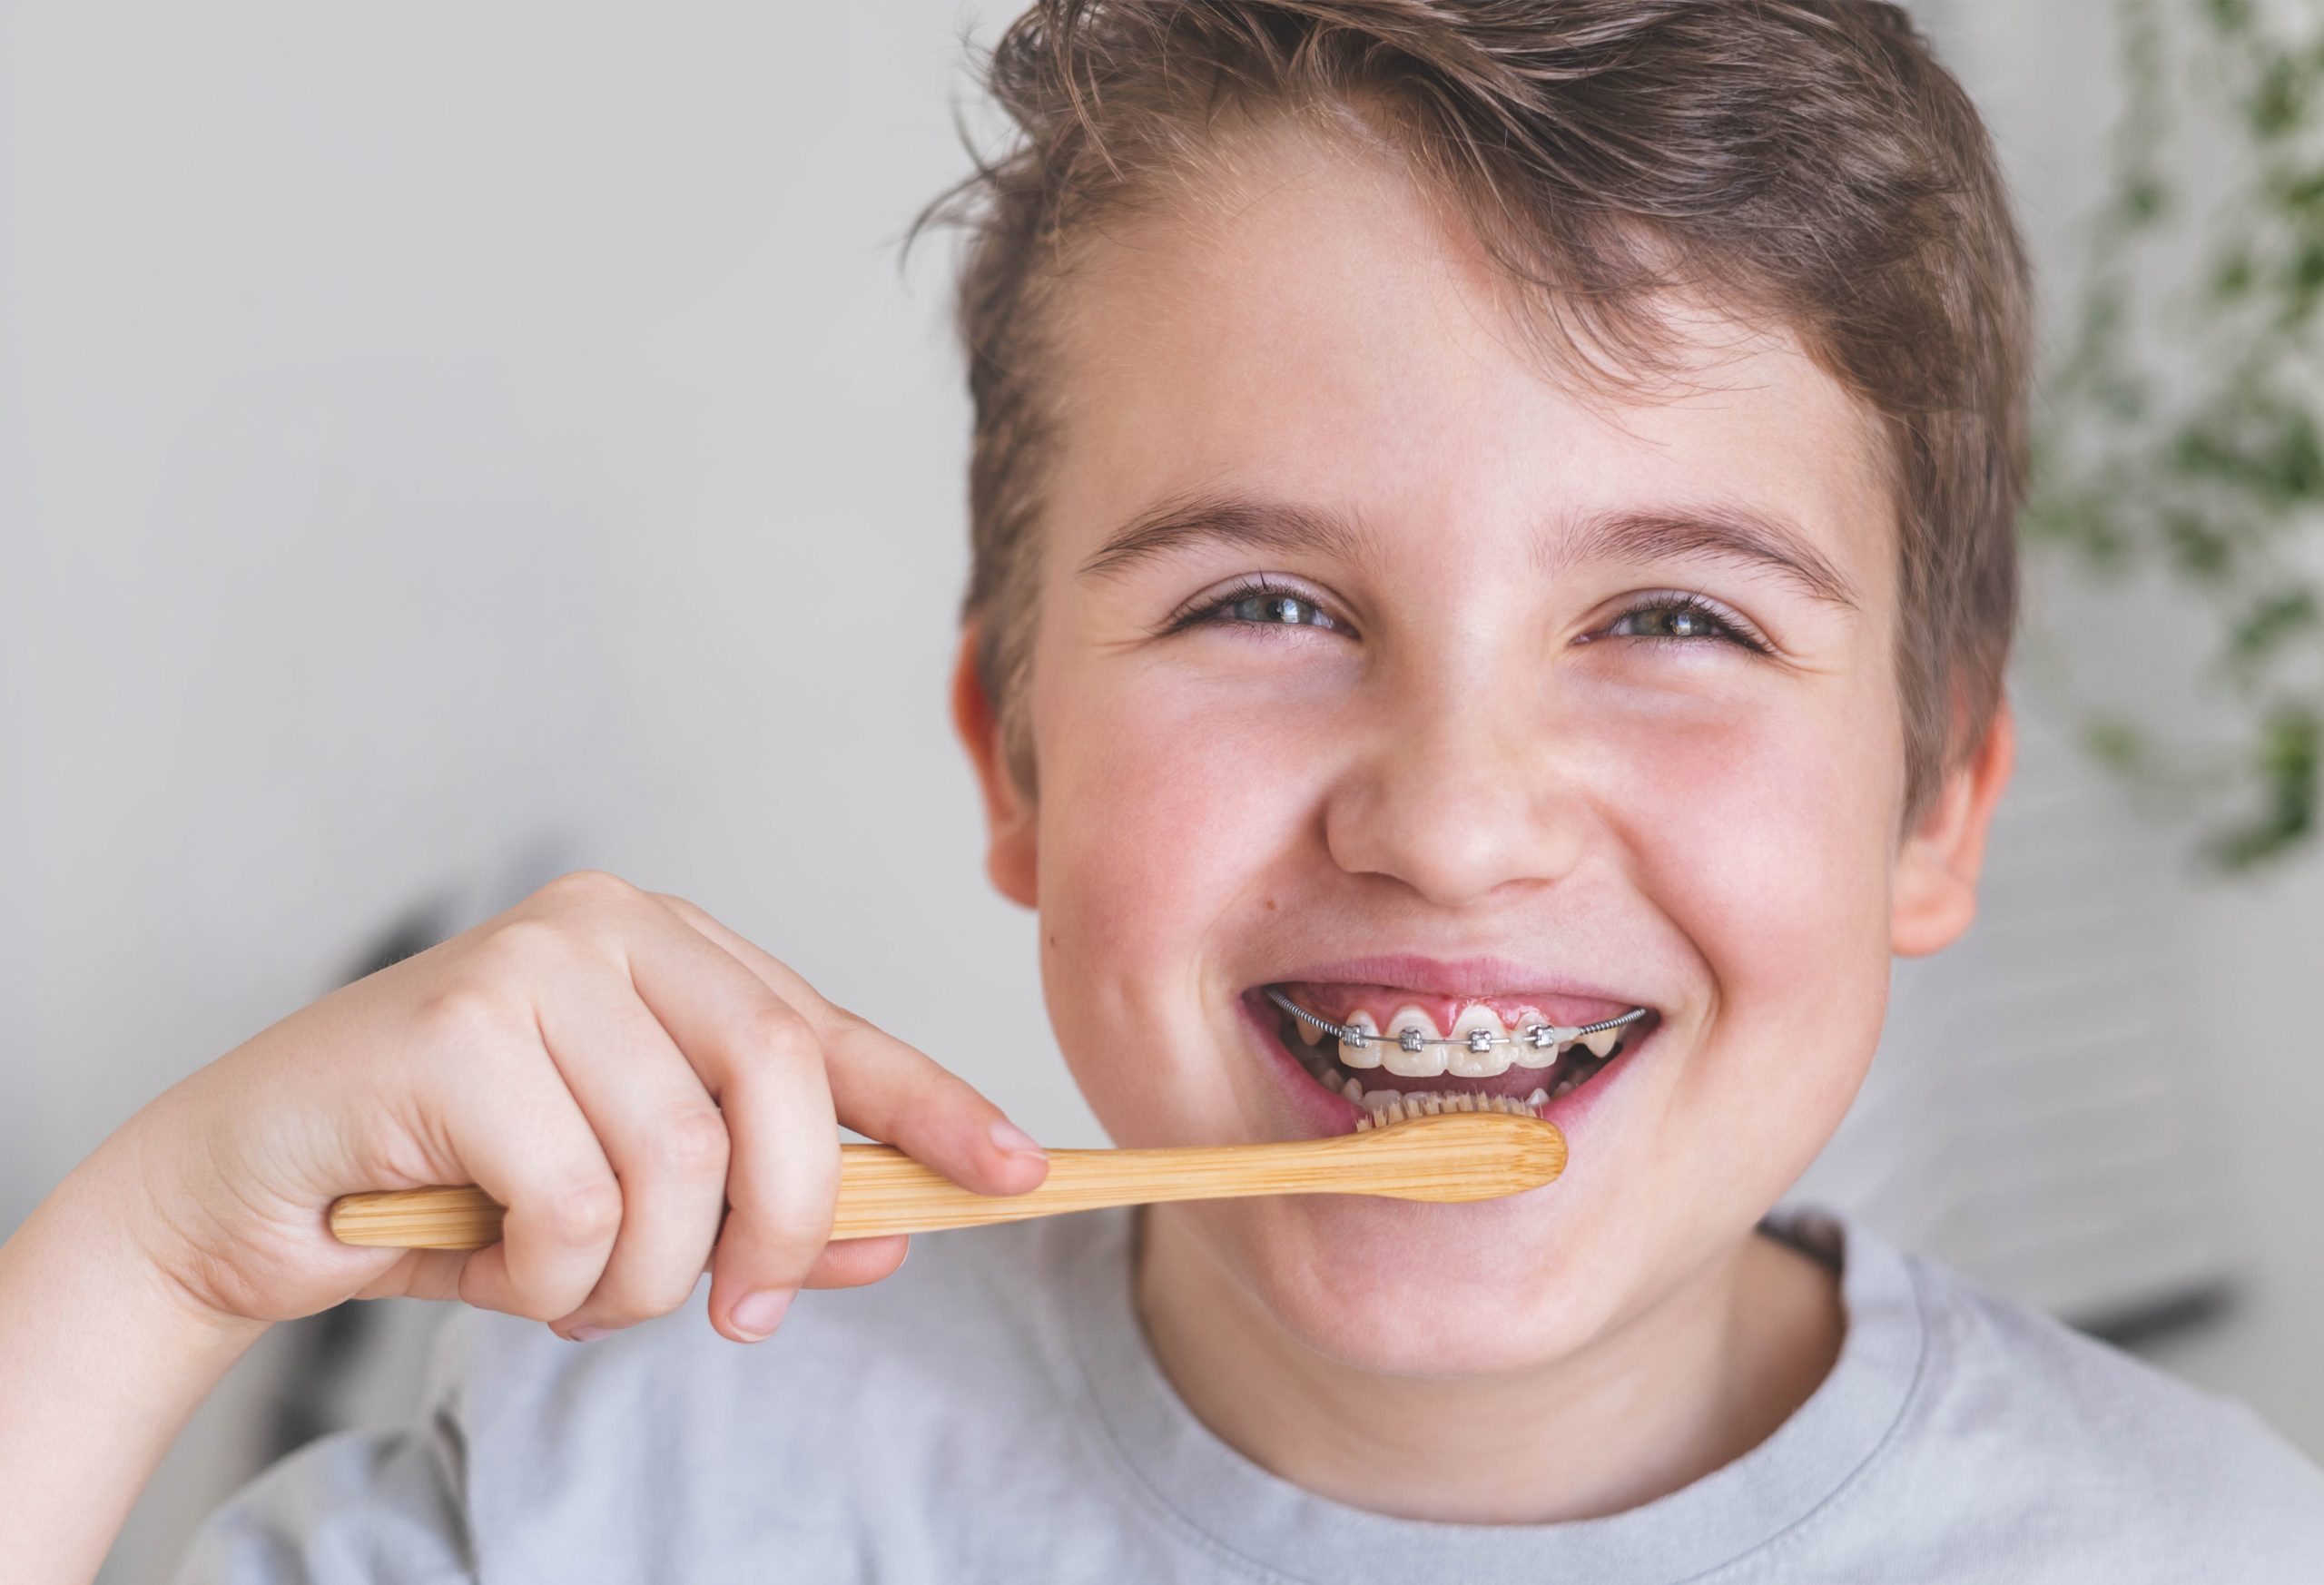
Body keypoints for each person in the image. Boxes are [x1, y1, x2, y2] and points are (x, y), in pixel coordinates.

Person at [5, 3, 2319, 1580]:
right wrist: (148, 1260)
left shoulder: (2201, 1552)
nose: (1454, 811)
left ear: (1940, 803)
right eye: (1264, 608)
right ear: (1013, 749)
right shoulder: (634, 1496)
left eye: (1673, 621)